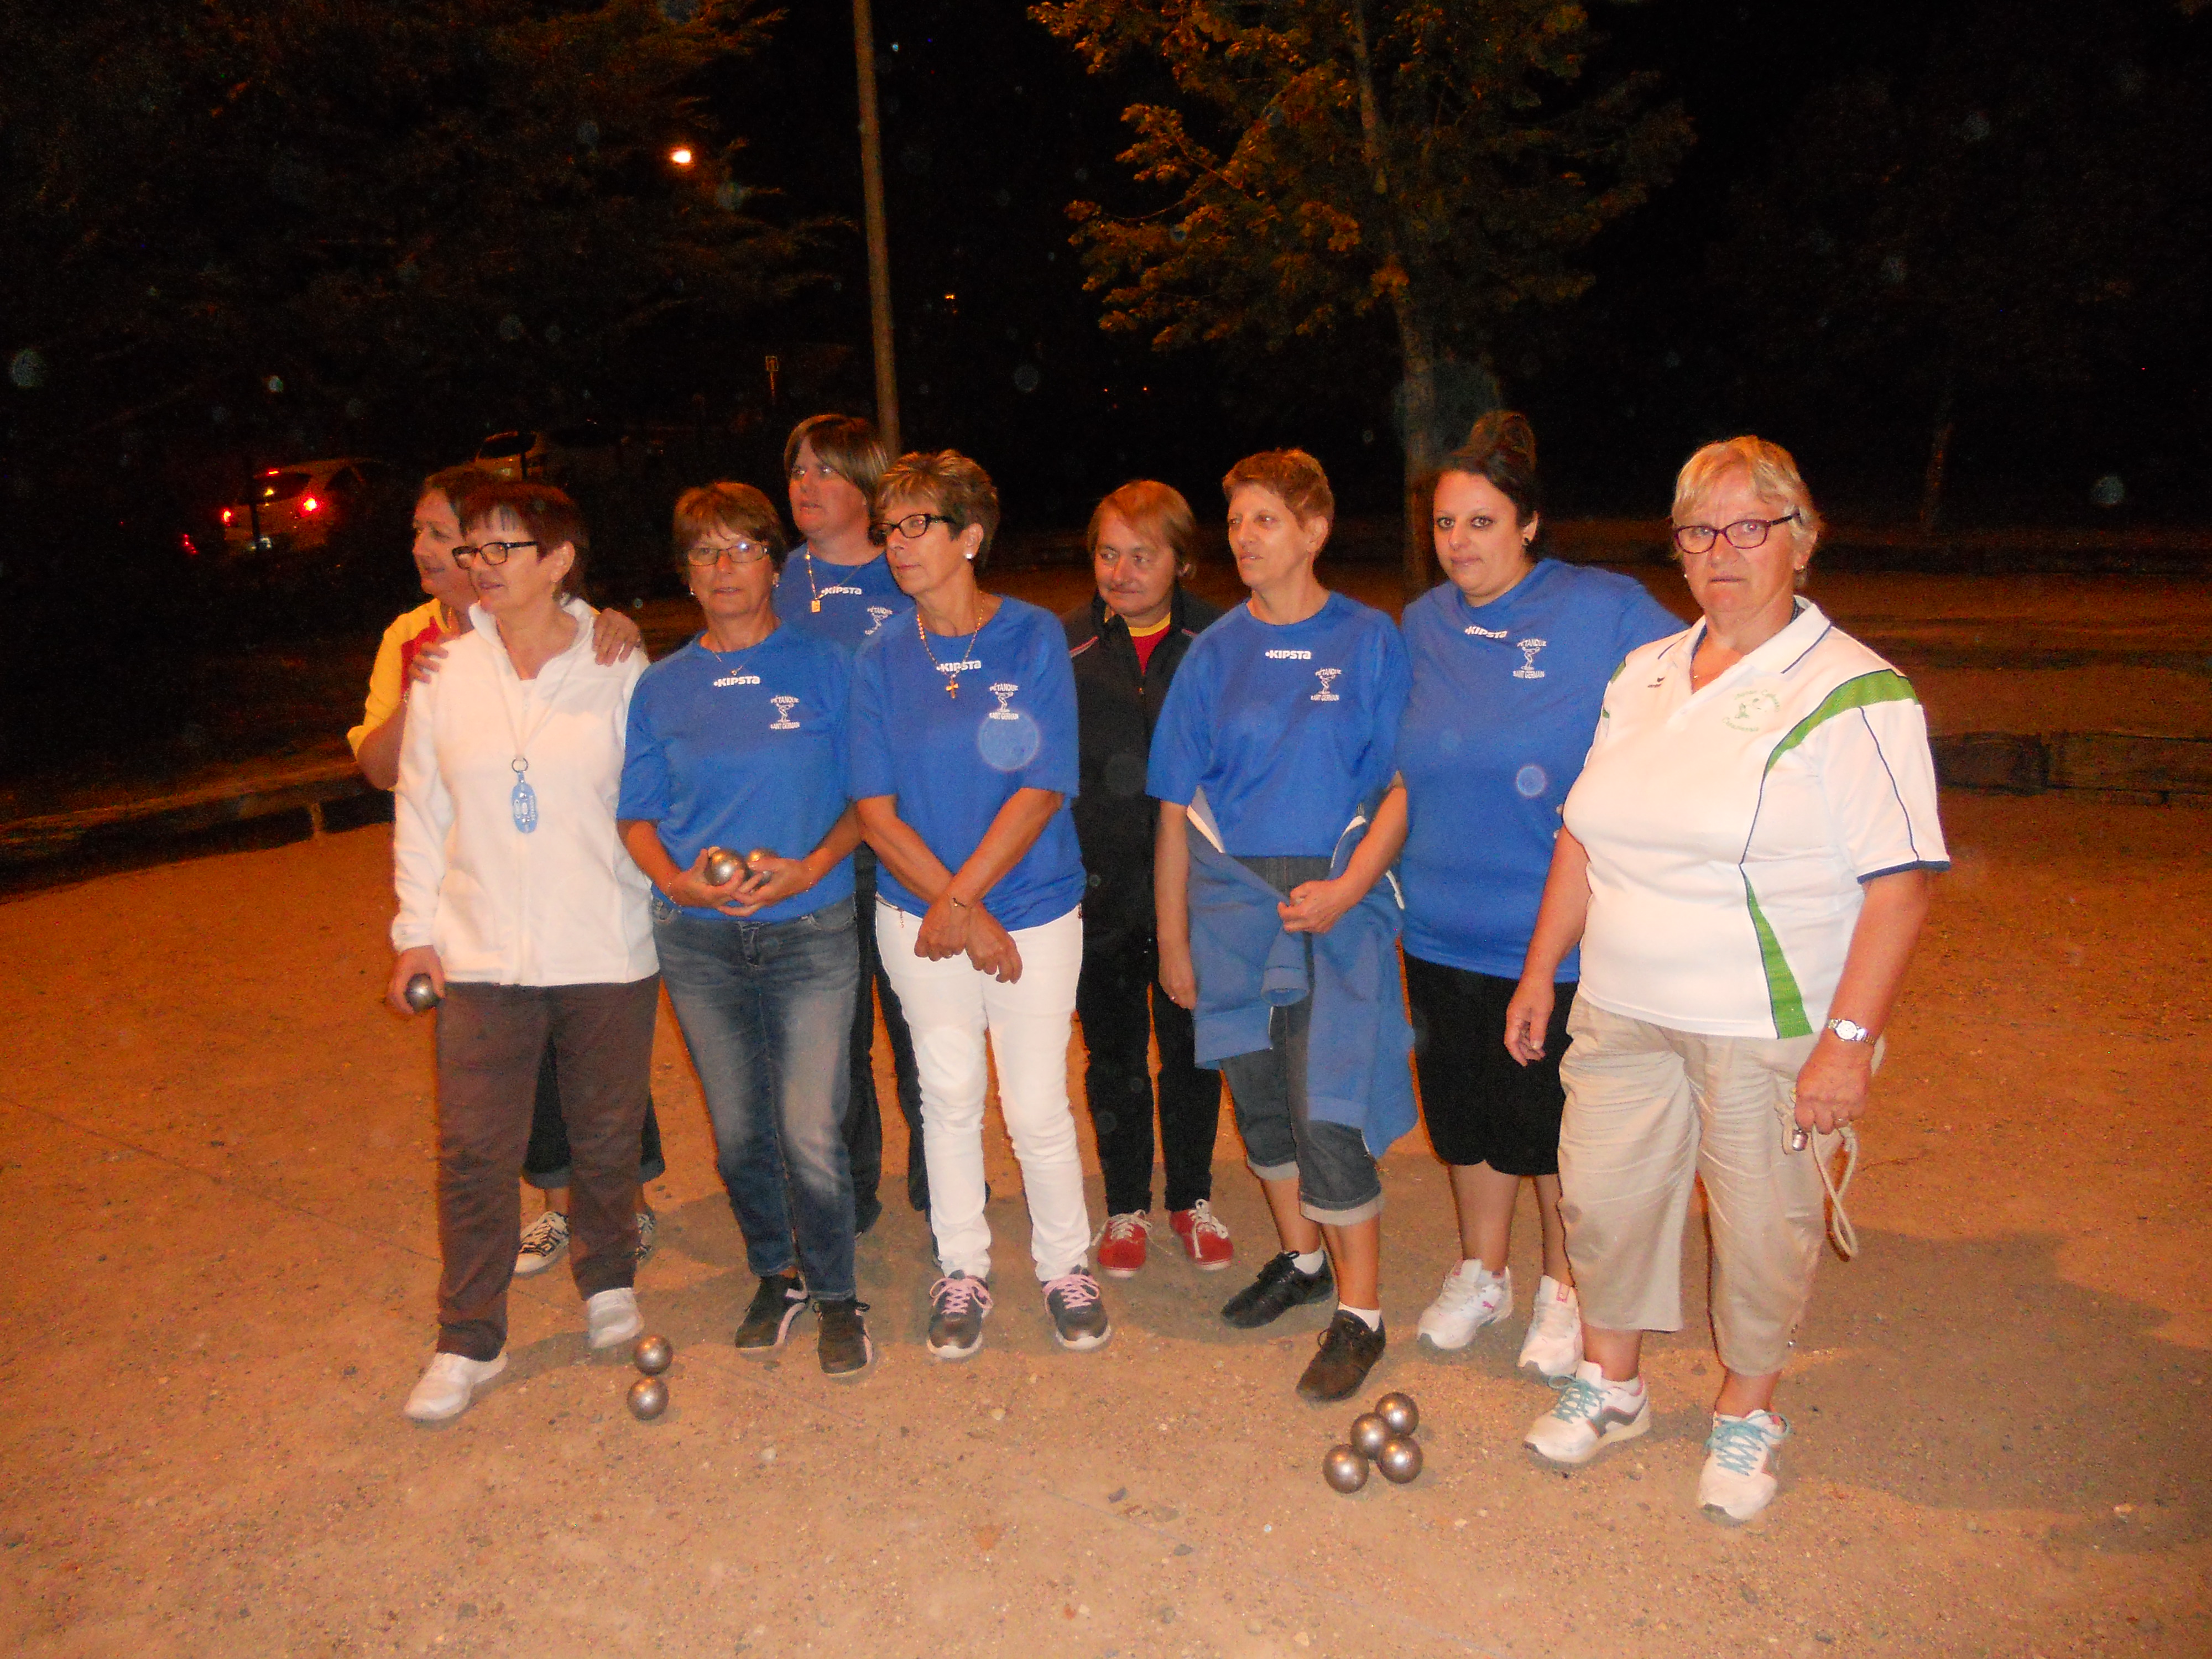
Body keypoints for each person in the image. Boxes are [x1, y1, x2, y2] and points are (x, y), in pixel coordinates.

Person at [1505, 436, 1945, 1521]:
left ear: (1800, 540)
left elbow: (1898, 886)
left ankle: (1749, 1407)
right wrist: (1537, 973)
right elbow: (1582, 834)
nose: (1720, 551)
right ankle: (1610, 1383)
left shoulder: (1852, 691)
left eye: (1748, 527)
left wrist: (1844, 1043)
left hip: (1765, 1023)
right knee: (1600, 1203)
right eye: (1698, 531)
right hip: (1619, 1006)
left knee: (1759, 1231)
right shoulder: (1643, 673)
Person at [1388, 414, 1679, 1379]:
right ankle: (1484, 1270)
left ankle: (1565, 1285)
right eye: (1445, 525)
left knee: (1553, 1127)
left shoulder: (1601, 609)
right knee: (1466, 1119)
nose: (1460, 542)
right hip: (1437, 927)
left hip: (1553, 937)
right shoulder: (1424, 625)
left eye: (1482, 521)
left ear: (1529, 525)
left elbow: (1702, 680)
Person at [342, 463, 664, 1276]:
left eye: (444, 535)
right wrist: (425, 692)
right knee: (494, 1111)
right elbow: (398, 782)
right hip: (486, 926)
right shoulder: (418, 645)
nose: (442, 553)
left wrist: (609, 627)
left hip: (590, 925)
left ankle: (613, 1219)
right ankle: (557, 1216)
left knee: (596, 1083)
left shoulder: (601, 648)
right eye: (440, 539)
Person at [1148, 449, 1414, 1402]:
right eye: (1237, 522)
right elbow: (1176, 807)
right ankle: (1302, 1266)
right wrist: (1175, 939)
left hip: (1335, 905)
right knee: (1259, 1101)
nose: (1245, 539)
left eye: (1265, 520)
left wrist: (1348, 889)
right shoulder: (1212, 652)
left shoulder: (1370, 639)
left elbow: (1396, 789)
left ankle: (1364, 1311)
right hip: (1229, 909)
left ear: (1315, 529)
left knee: (1326, 1104)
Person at [848, 450, 1109, 1358]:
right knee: (948, 1092)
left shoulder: (1032, 636)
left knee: (1037, 1102)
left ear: (970, 537)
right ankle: (961, 1267)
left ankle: (1064, 1264)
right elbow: (874, 813)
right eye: (890, 528)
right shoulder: (880, 654)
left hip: (1031, 905)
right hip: (920, 913)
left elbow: (1041, 787)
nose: (897, 544)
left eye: (918, 525)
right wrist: (963, 911)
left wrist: (969, 901)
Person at [618, 483, 872, 1376]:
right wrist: (676, 881)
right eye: (704, 554)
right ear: (686, 573)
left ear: (776, 563)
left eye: (740, 550)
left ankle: (838, 1291)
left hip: (811, 927)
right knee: (737, 1135)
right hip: (700, 939)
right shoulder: (662, 686)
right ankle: (778, 1272)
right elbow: (638, 816)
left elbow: (869, 803)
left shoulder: (829, 667)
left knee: (809, 1125)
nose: (723, 569)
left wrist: (809, 867)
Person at [1062, 482, 1232, 1279]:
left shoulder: (1219, 642)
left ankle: (1191, 1195)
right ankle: (1125, 1203)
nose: (1123, 572)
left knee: (1194, 1051)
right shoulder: (1062, 648)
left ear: (1181, 561)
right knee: (1115, 1057)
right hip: (1096, 898)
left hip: (1194, 896)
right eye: (1108, 554)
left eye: (1143, 555)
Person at [775, 414, 926, 1233]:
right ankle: (850, 1192)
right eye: (798, 468)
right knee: (837, 1037)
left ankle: (941, 1188)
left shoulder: (910, 575)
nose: (805, 483)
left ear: (869, 488)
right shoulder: (772, 581)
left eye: (826, 470)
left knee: (918, 1024)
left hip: (905, 838)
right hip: (820, 844)